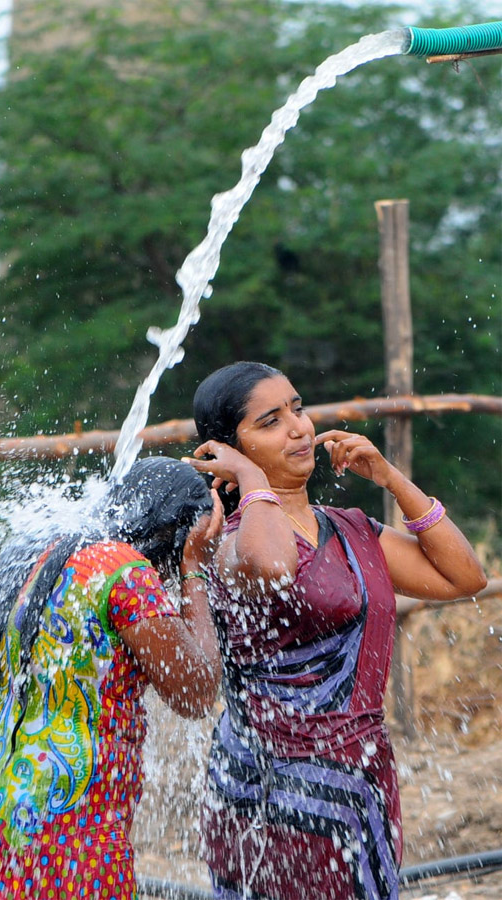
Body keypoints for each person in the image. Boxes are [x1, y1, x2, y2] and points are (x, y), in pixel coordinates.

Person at [183, 361, 487, 900]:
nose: (299, 428)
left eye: (298, 409)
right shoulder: (228, 544)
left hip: (361, 781)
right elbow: (275, 567)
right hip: (273, 791)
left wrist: (390, 479)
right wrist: (252, 482)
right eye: (271, 421)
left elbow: (464, 577)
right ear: (226, 449)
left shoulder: (349, 529)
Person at [0, 456, 223, 900]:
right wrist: (195, 567)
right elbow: (197, 691)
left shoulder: (39, 551)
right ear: (173, 533)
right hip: (63, 824)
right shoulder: (123, 570)